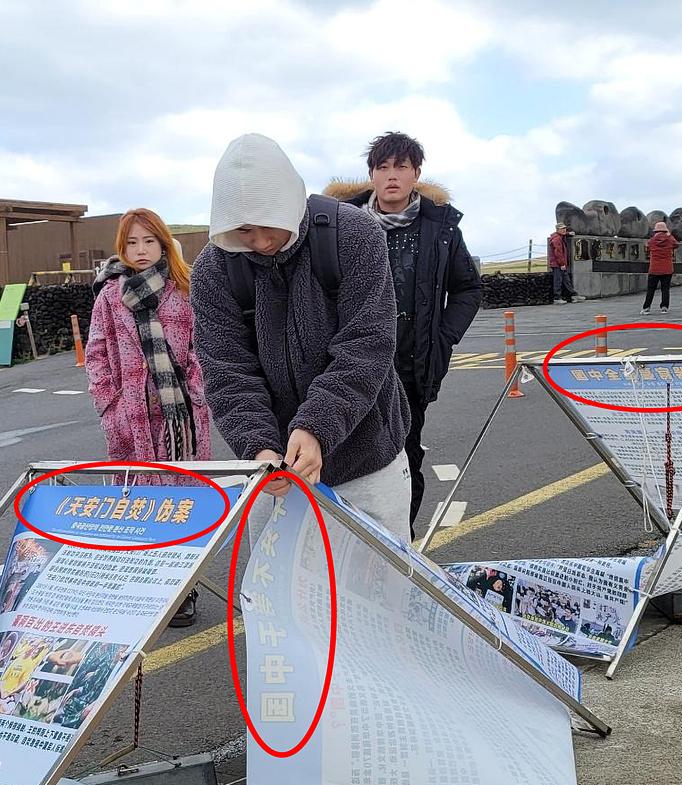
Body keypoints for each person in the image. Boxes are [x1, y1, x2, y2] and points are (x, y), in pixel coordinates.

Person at [190, 134, 412, 540]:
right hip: (275, 469)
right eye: (244, 230)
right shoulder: (214, 270)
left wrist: (315, 428)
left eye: (268, 224)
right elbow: (226, 371)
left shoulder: (354, 234)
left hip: (367, 460)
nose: (260, 242)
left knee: (381, 577)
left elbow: (366, 345)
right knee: (275, 581)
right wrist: (258, 447)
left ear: (290, 203)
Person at [322, 132, 481, 539]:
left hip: (411, 366)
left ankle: (400, 545)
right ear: (371, 175)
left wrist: (443, 338)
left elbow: (467, 288)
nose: (392, 176)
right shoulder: (338, 224)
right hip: (348, 365)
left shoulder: (441, 227)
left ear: (416, 174)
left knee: (405, 456)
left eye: (401, 167)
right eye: (383, 167)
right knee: (339, 455)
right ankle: (345, 544)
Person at [86, 208, 211, 627]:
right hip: (132, 421)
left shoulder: (184, 290)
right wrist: (110, 404)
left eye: (149, 241)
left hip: (182, 423)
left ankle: (184, 589)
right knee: (139, 506)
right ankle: (148, 586)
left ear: (163, 244)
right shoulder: (109, 296)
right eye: (132, 243)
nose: (141, 250)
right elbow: (96, 354)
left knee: (182, 506)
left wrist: (196, 392)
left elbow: (201, 348)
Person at [642, 221, 679, 314]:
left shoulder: (652, 241)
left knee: (651, 289)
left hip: (654, 269)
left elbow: (647, 245)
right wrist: (669, 235)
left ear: (656, 231)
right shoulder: (670, 240)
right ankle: (664, 307)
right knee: (665, 289)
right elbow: (676, 244)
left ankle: (646, 308)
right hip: (667, 269)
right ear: (665, 230)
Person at [548, 224, 585, 304]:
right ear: (557, 230)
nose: (564, 230)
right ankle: (557, 298)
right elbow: (558, 253)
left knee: (566, 280)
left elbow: (564, 234)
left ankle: (574, 295)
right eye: (562, 229)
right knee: (558, 281)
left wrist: (568, 234)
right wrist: (562, 264)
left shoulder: (560, 236)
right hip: (557, 264)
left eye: (565, 228)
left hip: (560, 263)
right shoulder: (557, 239)